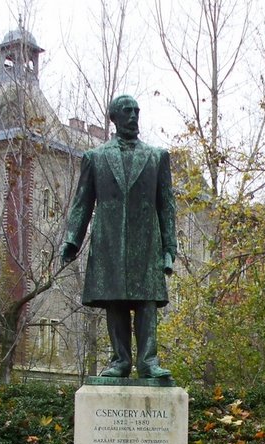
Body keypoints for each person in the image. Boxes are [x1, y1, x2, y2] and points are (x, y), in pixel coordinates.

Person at [60, 94, 177, 379]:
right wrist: (71, 239)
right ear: (114, 117)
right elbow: (82, 202)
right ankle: (120, 361)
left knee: (146, 302)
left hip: (146, 242)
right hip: (110, 241)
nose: (134, 116)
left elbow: (167, 205)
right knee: (116, 302)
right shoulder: (95, 158)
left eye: (137, 111)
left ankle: (148, 361)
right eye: (128, 111)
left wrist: (169, 248)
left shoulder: (156, 157)